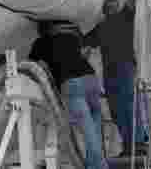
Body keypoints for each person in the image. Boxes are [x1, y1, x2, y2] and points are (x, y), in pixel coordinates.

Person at [30, 22, 109, 169]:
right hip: (90, 78)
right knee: (94, 120)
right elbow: (83, 53)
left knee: (86, 125)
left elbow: (33, 65)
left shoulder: (40, 43)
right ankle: (95, 162)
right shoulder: (71, 38)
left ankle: (98, 165)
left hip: (71, 82)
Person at [85, 0, 148, 157]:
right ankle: (129, 146)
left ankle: (138, 144)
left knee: (128, 105)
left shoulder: (125, 17)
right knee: (116, 110)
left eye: (113, 2)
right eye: (107, 3)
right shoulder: (100, 28)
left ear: (117, 6)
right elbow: (84, 43)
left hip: (125, 67)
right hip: (110, 71)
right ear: (104, 9)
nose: (110, 5)